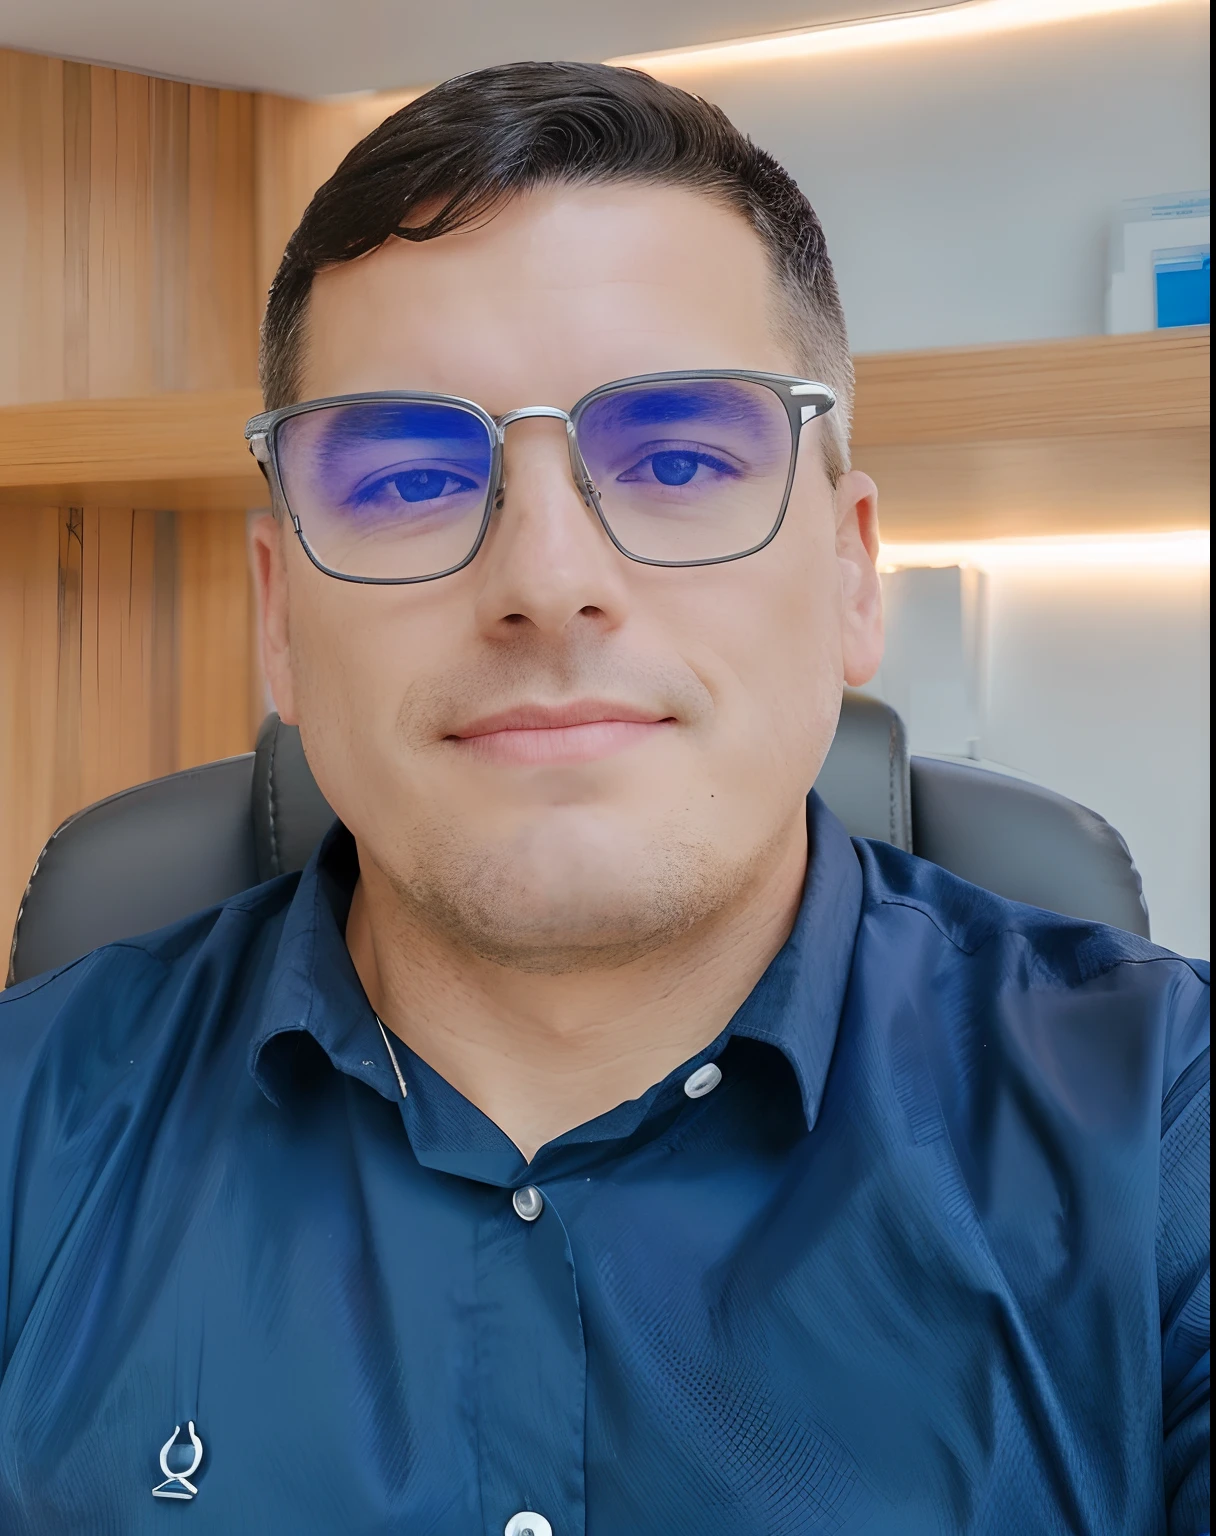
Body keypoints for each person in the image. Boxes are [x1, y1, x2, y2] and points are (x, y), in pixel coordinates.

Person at [0, 62, 1207, 1536]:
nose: (548, 583)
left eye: (682, 457)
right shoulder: (23, 1139)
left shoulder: (1169, 1136)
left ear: (849, 570)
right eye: (404, 482)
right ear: (278, 617)